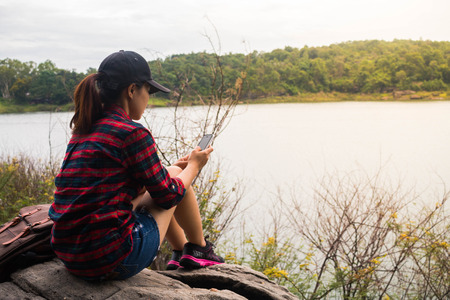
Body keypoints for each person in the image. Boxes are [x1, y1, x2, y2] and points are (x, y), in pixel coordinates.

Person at [49, 50, 224, 281]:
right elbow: (168, 196)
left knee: (171, 173)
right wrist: (194, 165)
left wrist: (170, 171)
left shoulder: (83, 130)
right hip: (111, 261)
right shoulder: (132, 133)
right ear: (132, 90)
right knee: (176, 180)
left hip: (71, 257)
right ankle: (200, 249)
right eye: (148, 91)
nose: (148, 98)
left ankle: (184, 252)